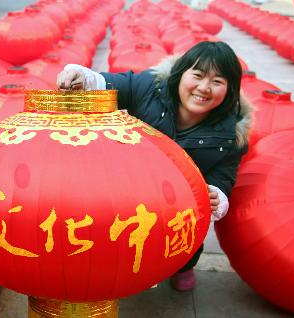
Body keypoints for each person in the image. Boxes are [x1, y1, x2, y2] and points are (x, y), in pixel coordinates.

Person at [56, 41, 252, 291]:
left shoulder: (231, 133)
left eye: (217, 81)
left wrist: (216, 192)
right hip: (131, 188)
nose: (204, 88)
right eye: (198, 75)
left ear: (230, 90)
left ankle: (183, 265)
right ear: (181, 73)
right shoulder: (151, 87)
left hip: (179, 205)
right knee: (118, 231)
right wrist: (82, 77)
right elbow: (113, 84)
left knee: (185, 240)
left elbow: (224, 173)